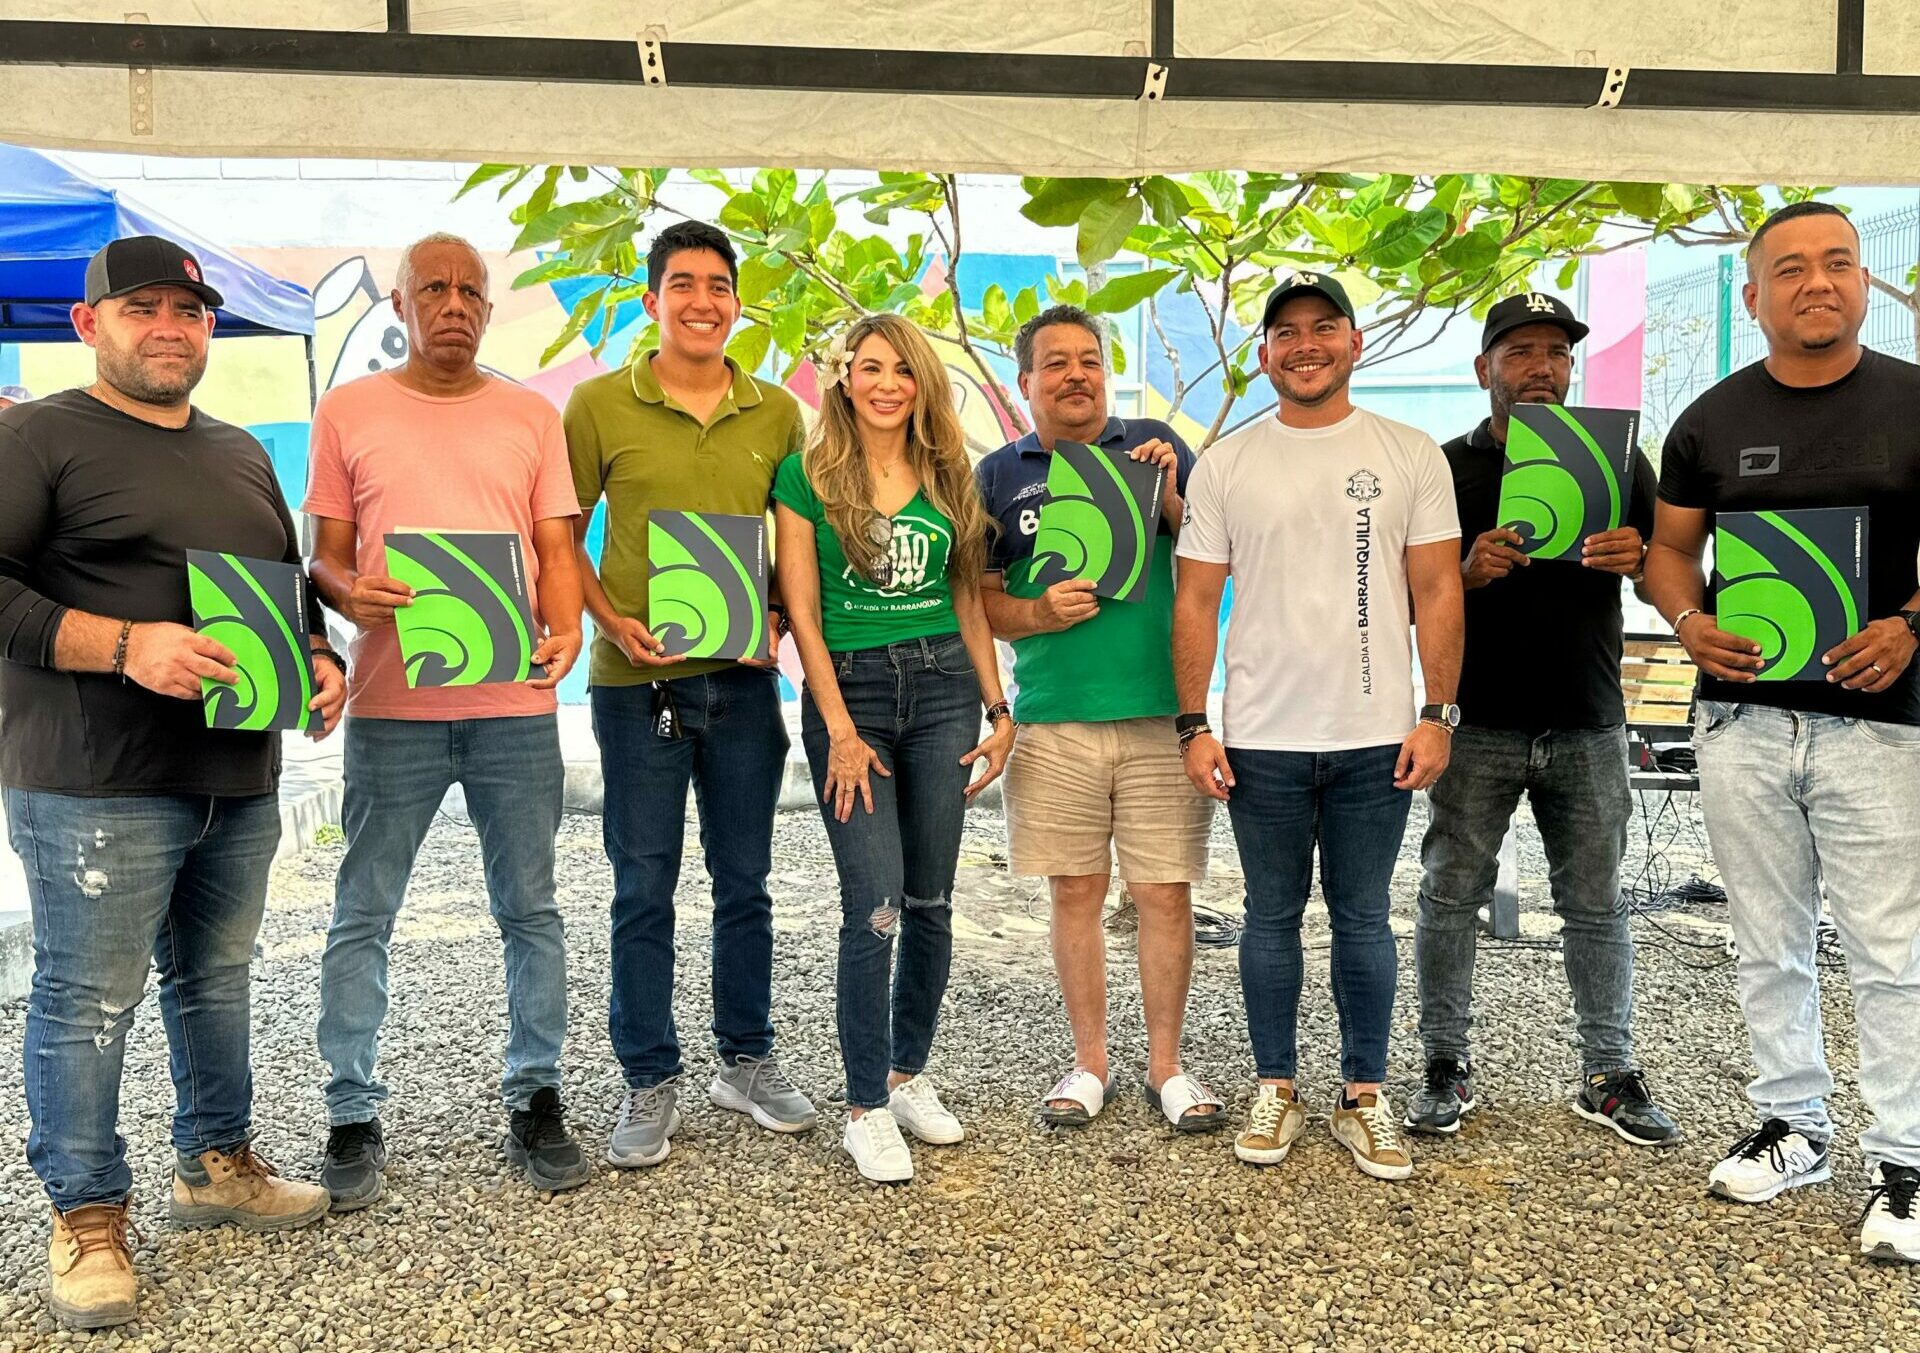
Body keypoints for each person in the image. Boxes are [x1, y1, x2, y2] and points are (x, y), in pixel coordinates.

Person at [0, 235, 344, 1330]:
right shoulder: (38, 437)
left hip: (237, 771)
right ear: (87, 325)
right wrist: (121, 644)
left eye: (188, 312)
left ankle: (215, 1163)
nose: (168, 327)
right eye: (141, 308)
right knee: (86, 1002)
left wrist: (321, 658)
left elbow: (285, 595)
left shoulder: (242, 450)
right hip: (95, 781)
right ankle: (87, 1213)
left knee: (218, 978)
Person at [1645, 201, 1920, 1262]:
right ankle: (1794, 1127)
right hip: (1745, 724)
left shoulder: (1913, 401)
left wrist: (1907, 627)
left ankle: (1904, 1161)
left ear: (1861, 283)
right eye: (1792, 268)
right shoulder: (1708, 419)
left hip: (1884, 727)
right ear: (1752, 295)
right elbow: (1673, 554)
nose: (1820, 281)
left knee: (1892, 950)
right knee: (1767, 941)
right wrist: (1688, 621)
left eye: (1840, 263)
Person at [303, 233, 590, 1205]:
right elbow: (326, 556)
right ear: (398, 303)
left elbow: (555, 543)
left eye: (472, 288)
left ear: (489, 305)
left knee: (533, 911)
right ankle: (350, 1110)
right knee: (363, 912)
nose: (456, 302)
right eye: (435, 286)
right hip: (392, 709)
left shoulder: (528, 416)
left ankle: (537, 1094)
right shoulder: (346, 412)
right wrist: (353, 593)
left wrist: (568, 630)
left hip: (514, 706)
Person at [1173, 271, 1463, 1182]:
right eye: (1286, 332)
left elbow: (1439, 588)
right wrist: (1195, 722)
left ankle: (1363, 1097)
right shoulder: (1225, 463)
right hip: (1260, 736)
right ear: (1264, 355)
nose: (1306, 344)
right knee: (1268, 915)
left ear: (1354, 341)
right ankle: (1277, 1087)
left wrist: (1438, 711)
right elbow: (1195, 600)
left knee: (1365, 916)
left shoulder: (1409, 451)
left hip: (1378, 733)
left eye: (1323, 327)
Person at [565, 220, 815, 1167]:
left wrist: (787, 620)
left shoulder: (779, 413)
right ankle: (649, 1073)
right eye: (683, 285)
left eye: (718, 285)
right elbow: (561, 532)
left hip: (746, 686)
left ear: (737, 303)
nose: (702, 301)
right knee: (643, 885)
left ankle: (744, 1058)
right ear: (652, 301)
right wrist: (604, 617)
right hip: (637, 685)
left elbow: (795, 544)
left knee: (745, 880)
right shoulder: (597, 405)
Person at [1407, 293, 1679, 1146]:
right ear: (1483, 368)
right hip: (1474, 721)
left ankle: (1609, 1071)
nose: (1541, 368)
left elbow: (1667, 568)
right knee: (1450, 896)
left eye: (1557, 353)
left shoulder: (1619, 459)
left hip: (1588, 720)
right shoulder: (1445, 468)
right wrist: (1464, 567)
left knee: (1596, 902)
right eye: (1520, 352)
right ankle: (1444, 1063)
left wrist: (1640, 560)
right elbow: (1401, 594)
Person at [773, 313, 1013, 1183]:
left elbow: (969, 601)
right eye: (868, 368)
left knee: (933, 900)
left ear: (920, 383)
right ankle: (865, 1104)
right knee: (872, 907)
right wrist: (837, 727)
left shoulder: (949, 475)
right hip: (856, 694)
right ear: (844, 379)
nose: (885, 384)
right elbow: (802, 612)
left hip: (946, 685)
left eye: (901, 370)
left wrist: (999, 707)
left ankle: (908, 1073)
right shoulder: (805, 477)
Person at [974, 305, 1220, 1133]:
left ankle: (1166, 1066)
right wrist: (1038, 612)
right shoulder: (999, 473)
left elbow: (1213, 555)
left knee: (1164, 893)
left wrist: (1176, 494)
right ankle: (1089, 1064)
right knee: (1074, 892)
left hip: (1161, 715)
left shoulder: (1153, 447)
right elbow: (982, 603)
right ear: (1027, 382)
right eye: (1056, 363)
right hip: (1054, 720)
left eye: (1090, 359)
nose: (1076, 374)